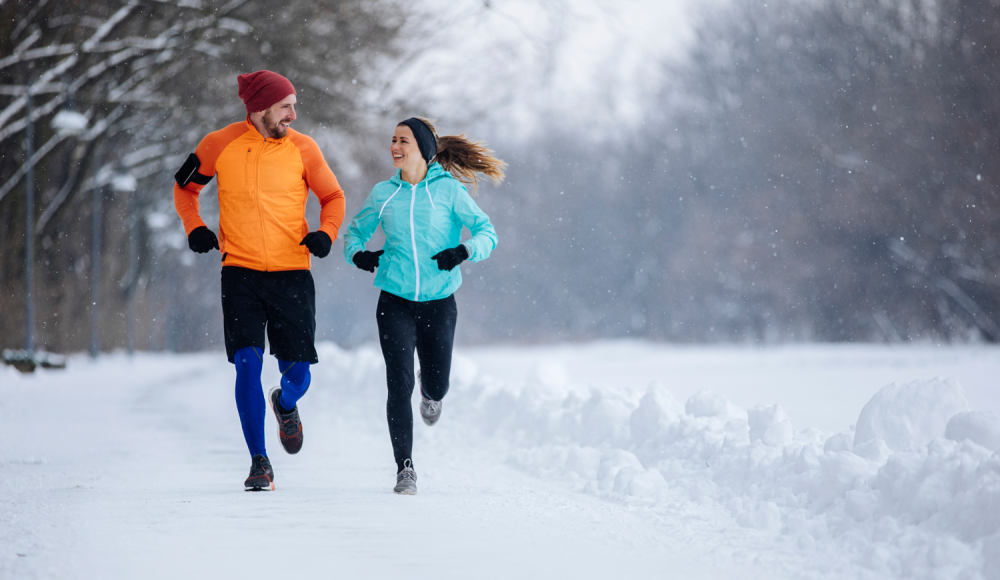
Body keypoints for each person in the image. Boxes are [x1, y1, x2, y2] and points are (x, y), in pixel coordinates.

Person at [173, 70, 346, 491]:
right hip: (240, 272)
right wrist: (194, 226)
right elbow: (184, 188)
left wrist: (325, 233)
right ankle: (259, 461)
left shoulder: (304, 148)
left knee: (298, 376)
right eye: (286, 105)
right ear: (260, 107)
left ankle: (285, 405)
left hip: (292, 274)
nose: (293, 113)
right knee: (247, 364)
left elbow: (333, 197)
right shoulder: (219, 144)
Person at [342, 117, 504, 494]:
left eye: (404, 141)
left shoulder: (448, 191)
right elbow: (354, 233)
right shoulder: (384, 194)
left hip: (439, 303)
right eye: (393, 140)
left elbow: (487, 233)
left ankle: (432, 395)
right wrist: (359, 255)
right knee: (398, 385)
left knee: (436, 382)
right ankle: (405, 468)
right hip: (394, 301)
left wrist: (464, 250)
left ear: (424, 150)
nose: (395, 147)